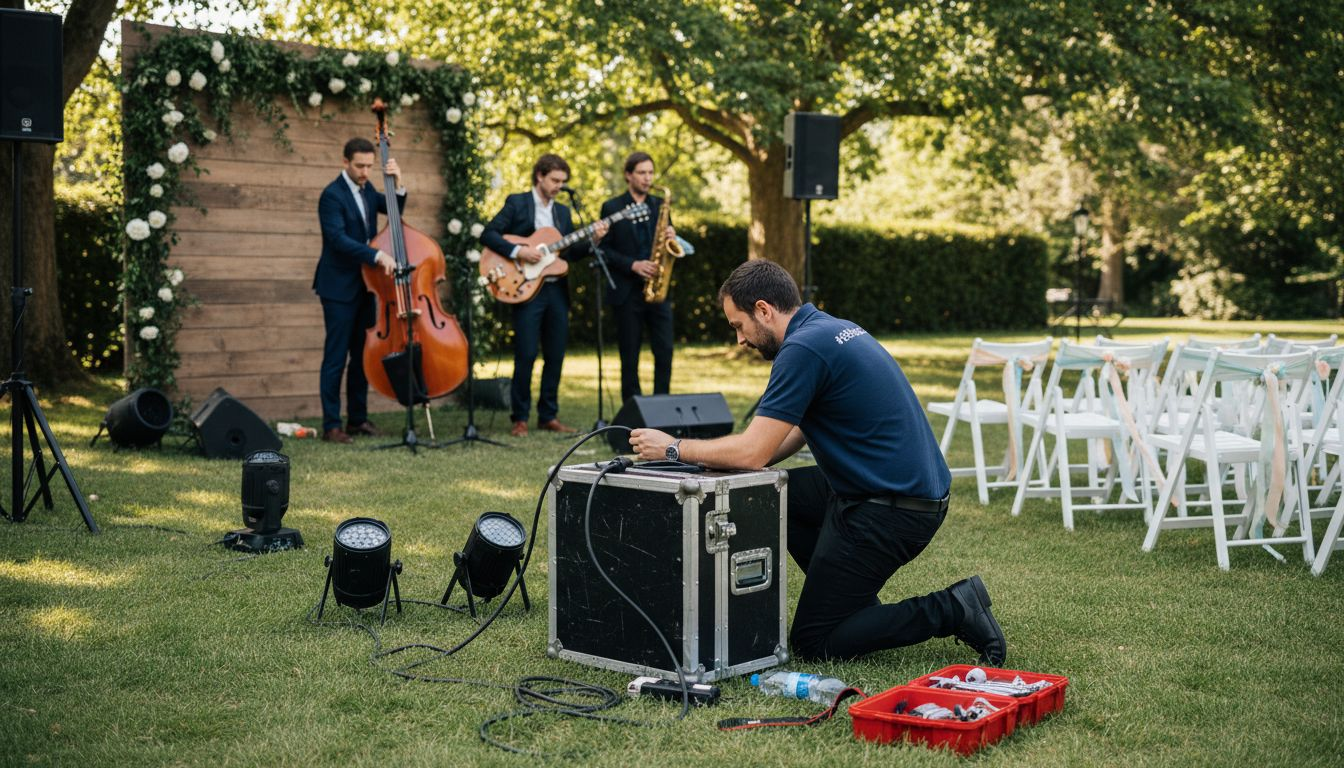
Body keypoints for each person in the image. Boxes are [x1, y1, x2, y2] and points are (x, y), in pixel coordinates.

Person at [629, 259, 1007, 664]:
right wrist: (717, 463)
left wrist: (674, 448)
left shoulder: (802, 350)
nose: (739, 340)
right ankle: (849, 603)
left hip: (893, 510)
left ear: (763, 310)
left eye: (739, 325)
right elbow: (791, 433)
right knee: (769, 496)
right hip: (894, 489)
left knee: (814, 641)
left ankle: (953, 607)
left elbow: (753, 452)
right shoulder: (828, 328)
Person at [480, 154, 606, 437]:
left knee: (556, 353)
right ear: (540, 176)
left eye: (563, 181)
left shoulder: (562, 213)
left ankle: (548, 415)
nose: (559, 186)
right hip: (525, 288)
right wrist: (520, 251)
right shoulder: (517, 203)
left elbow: (570, 253)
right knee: (525, 353)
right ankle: (520, 418)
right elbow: (489, 234)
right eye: (554, 180)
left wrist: (594, 239)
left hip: (556, 290)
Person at [312, 137, 401, 444]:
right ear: (345, 162)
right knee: (335, 358)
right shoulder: (331, 196)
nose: (365, 172)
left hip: (366, 286)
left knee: (362, 356)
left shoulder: (368, 190)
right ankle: (331, 425)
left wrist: (398, 183)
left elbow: (395, 211)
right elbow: (337, 240)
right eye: (359, 166)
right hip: (337, 288)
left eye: (369, 166)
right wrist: (377, 255)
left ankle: (357, 420)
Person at [599, 152, 677, 404]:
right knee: (629, 355)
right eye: (642, 173)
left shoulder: (660, 204)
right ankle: (632, 409)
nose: (647, 178)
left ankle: (662, 405)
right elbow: (603, 250)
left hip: (657, 290)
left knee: (665, 350)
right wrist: (633, 265)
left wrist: (672, 236)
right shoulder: (612, 207)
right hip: (627, 292)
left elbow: (670, 243)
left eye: (650, 173)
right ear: (628, 175)